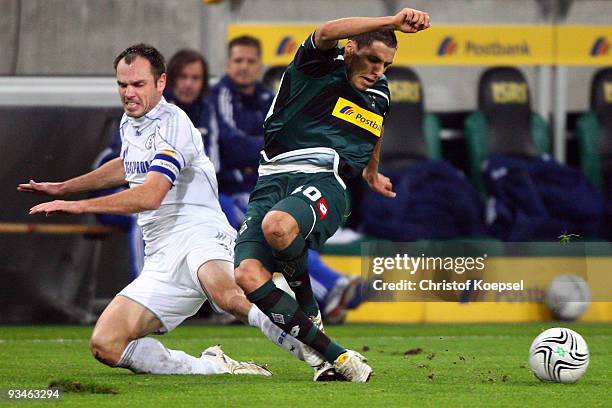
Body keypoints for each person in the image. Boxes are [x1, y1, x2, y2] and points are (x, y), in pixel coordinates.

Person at [17, 43, 322, 378]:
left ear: (161, 83)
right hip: (161, 257)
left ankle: (321, 352)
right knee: (106, 344)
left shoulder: (174, 123)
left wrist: (77, 205)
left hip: (200, 235)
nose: (128, 93)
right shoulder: (130, 122)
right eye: (122, 85)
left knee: (231, 296)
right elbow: (126, 165)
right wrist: (63, 187)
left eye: (137, 84)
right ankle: (211, 367)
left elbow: (150, 196)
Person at [232, 9, 431, 382]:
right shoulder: (318, 64)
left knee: (278, 226)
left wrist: (371, 173)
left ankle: (308, 307)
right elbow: (325, 31)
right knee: (246, 274)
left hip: (327, 180)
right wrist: (389, 20)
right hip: (271, 178)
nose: (378, 70)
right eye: (373, 59)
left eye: (387, 64)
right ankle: (334, 358)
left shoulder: (379, 93)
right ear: (351, 48)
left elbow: (375, 128)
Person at [209, 36, 364, 323]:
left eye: (250, 61)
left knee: (284, 230)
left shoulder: (270, 96)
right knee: (273, 232)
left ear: (260, 65)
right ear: (228, 65)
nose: (244, 67)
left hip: (272, 179)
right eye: (238, 61)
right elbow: (231, 145)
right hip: (233, 189)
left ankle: (326, 291)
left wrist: (270, 148)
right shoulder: (220, 96)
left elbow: (290, 136)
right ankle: (329, 288)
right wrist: (268, 147)